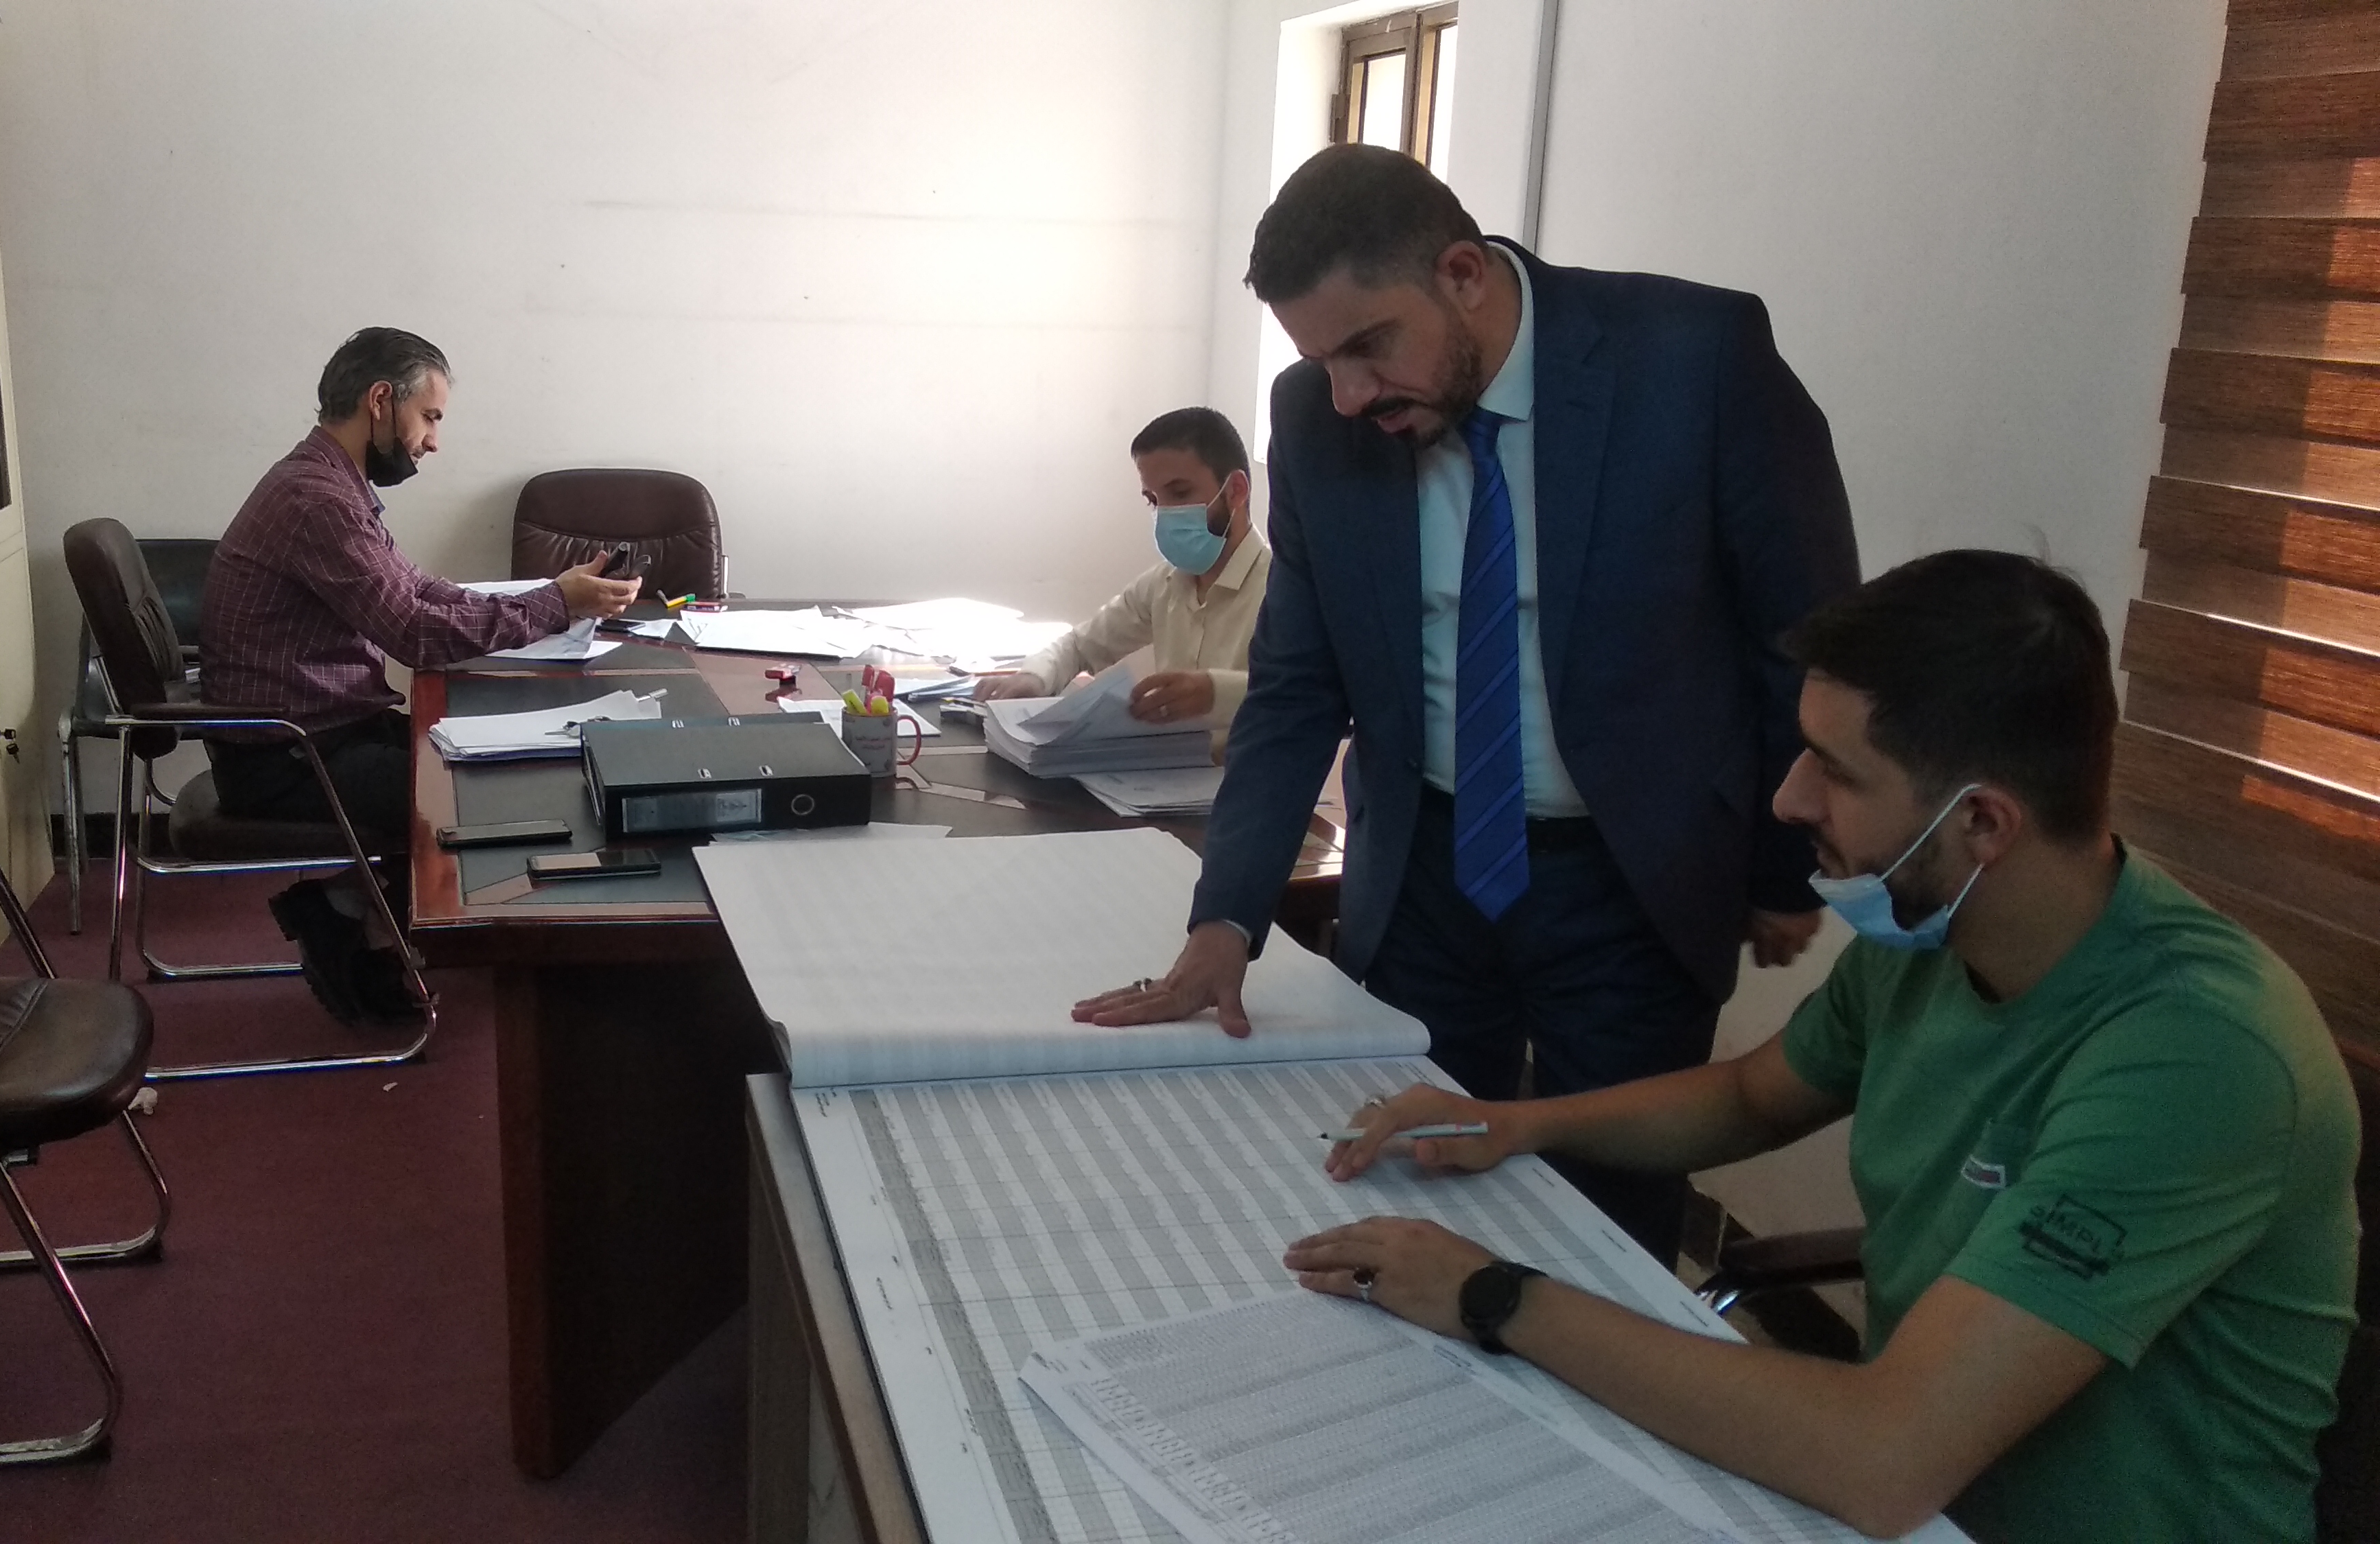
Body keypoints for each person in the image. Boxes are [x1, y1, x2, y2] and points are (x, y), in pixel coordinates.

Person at [1286, 551, 2361, 1543]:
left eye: (1835, 770)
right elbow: (1753, 1096)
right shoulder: (1937, 929)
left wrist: (1490, 1294)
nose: (1790, 796)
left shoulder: (2197, 1052)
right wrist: (1513, 1121)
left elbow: (1882, 1455)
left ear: (1983, 824)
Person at [1076, 144, 1860, 1259]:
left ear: (1462, 274)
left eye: (1368, 347)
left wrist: (1784, 869)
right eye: (1320, 359)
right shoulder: (1318, 418)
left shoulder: (1694, 361)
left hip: (1629, 882)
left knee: (1610, 1217)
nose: (1348, 394)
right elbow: (1298, 690)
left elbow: (1803, 632)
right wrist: (1226, 918)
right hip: (1425, 877)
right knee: (1408, 1172)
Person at [198, 327, 641, 1024]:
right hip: (288, 759)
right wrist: (558, 605)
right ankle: (352, 915)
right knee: (487, 790)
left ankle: (354, 907)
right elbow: (417, 635)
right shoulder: (318, 501)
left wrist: (549, 596)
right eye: (429, 417)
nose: (433, 441)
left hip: (318, 733)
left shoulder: (327, 482)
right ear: (381, 401)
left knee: (488, 765)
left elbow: (418, 591)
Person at [974, 406, 1268, 734]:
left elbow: (1305, 695)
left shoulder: (1284, 589)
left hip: (1243, 766)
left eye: (1180, 493)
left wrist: (1215, 694)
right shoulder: (1164, 584)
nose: (1165, 513)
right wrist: (1035, 677)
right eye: (1153, 500)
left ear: (1235, 490)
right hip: (1162, 764)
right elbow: (1080, 645)